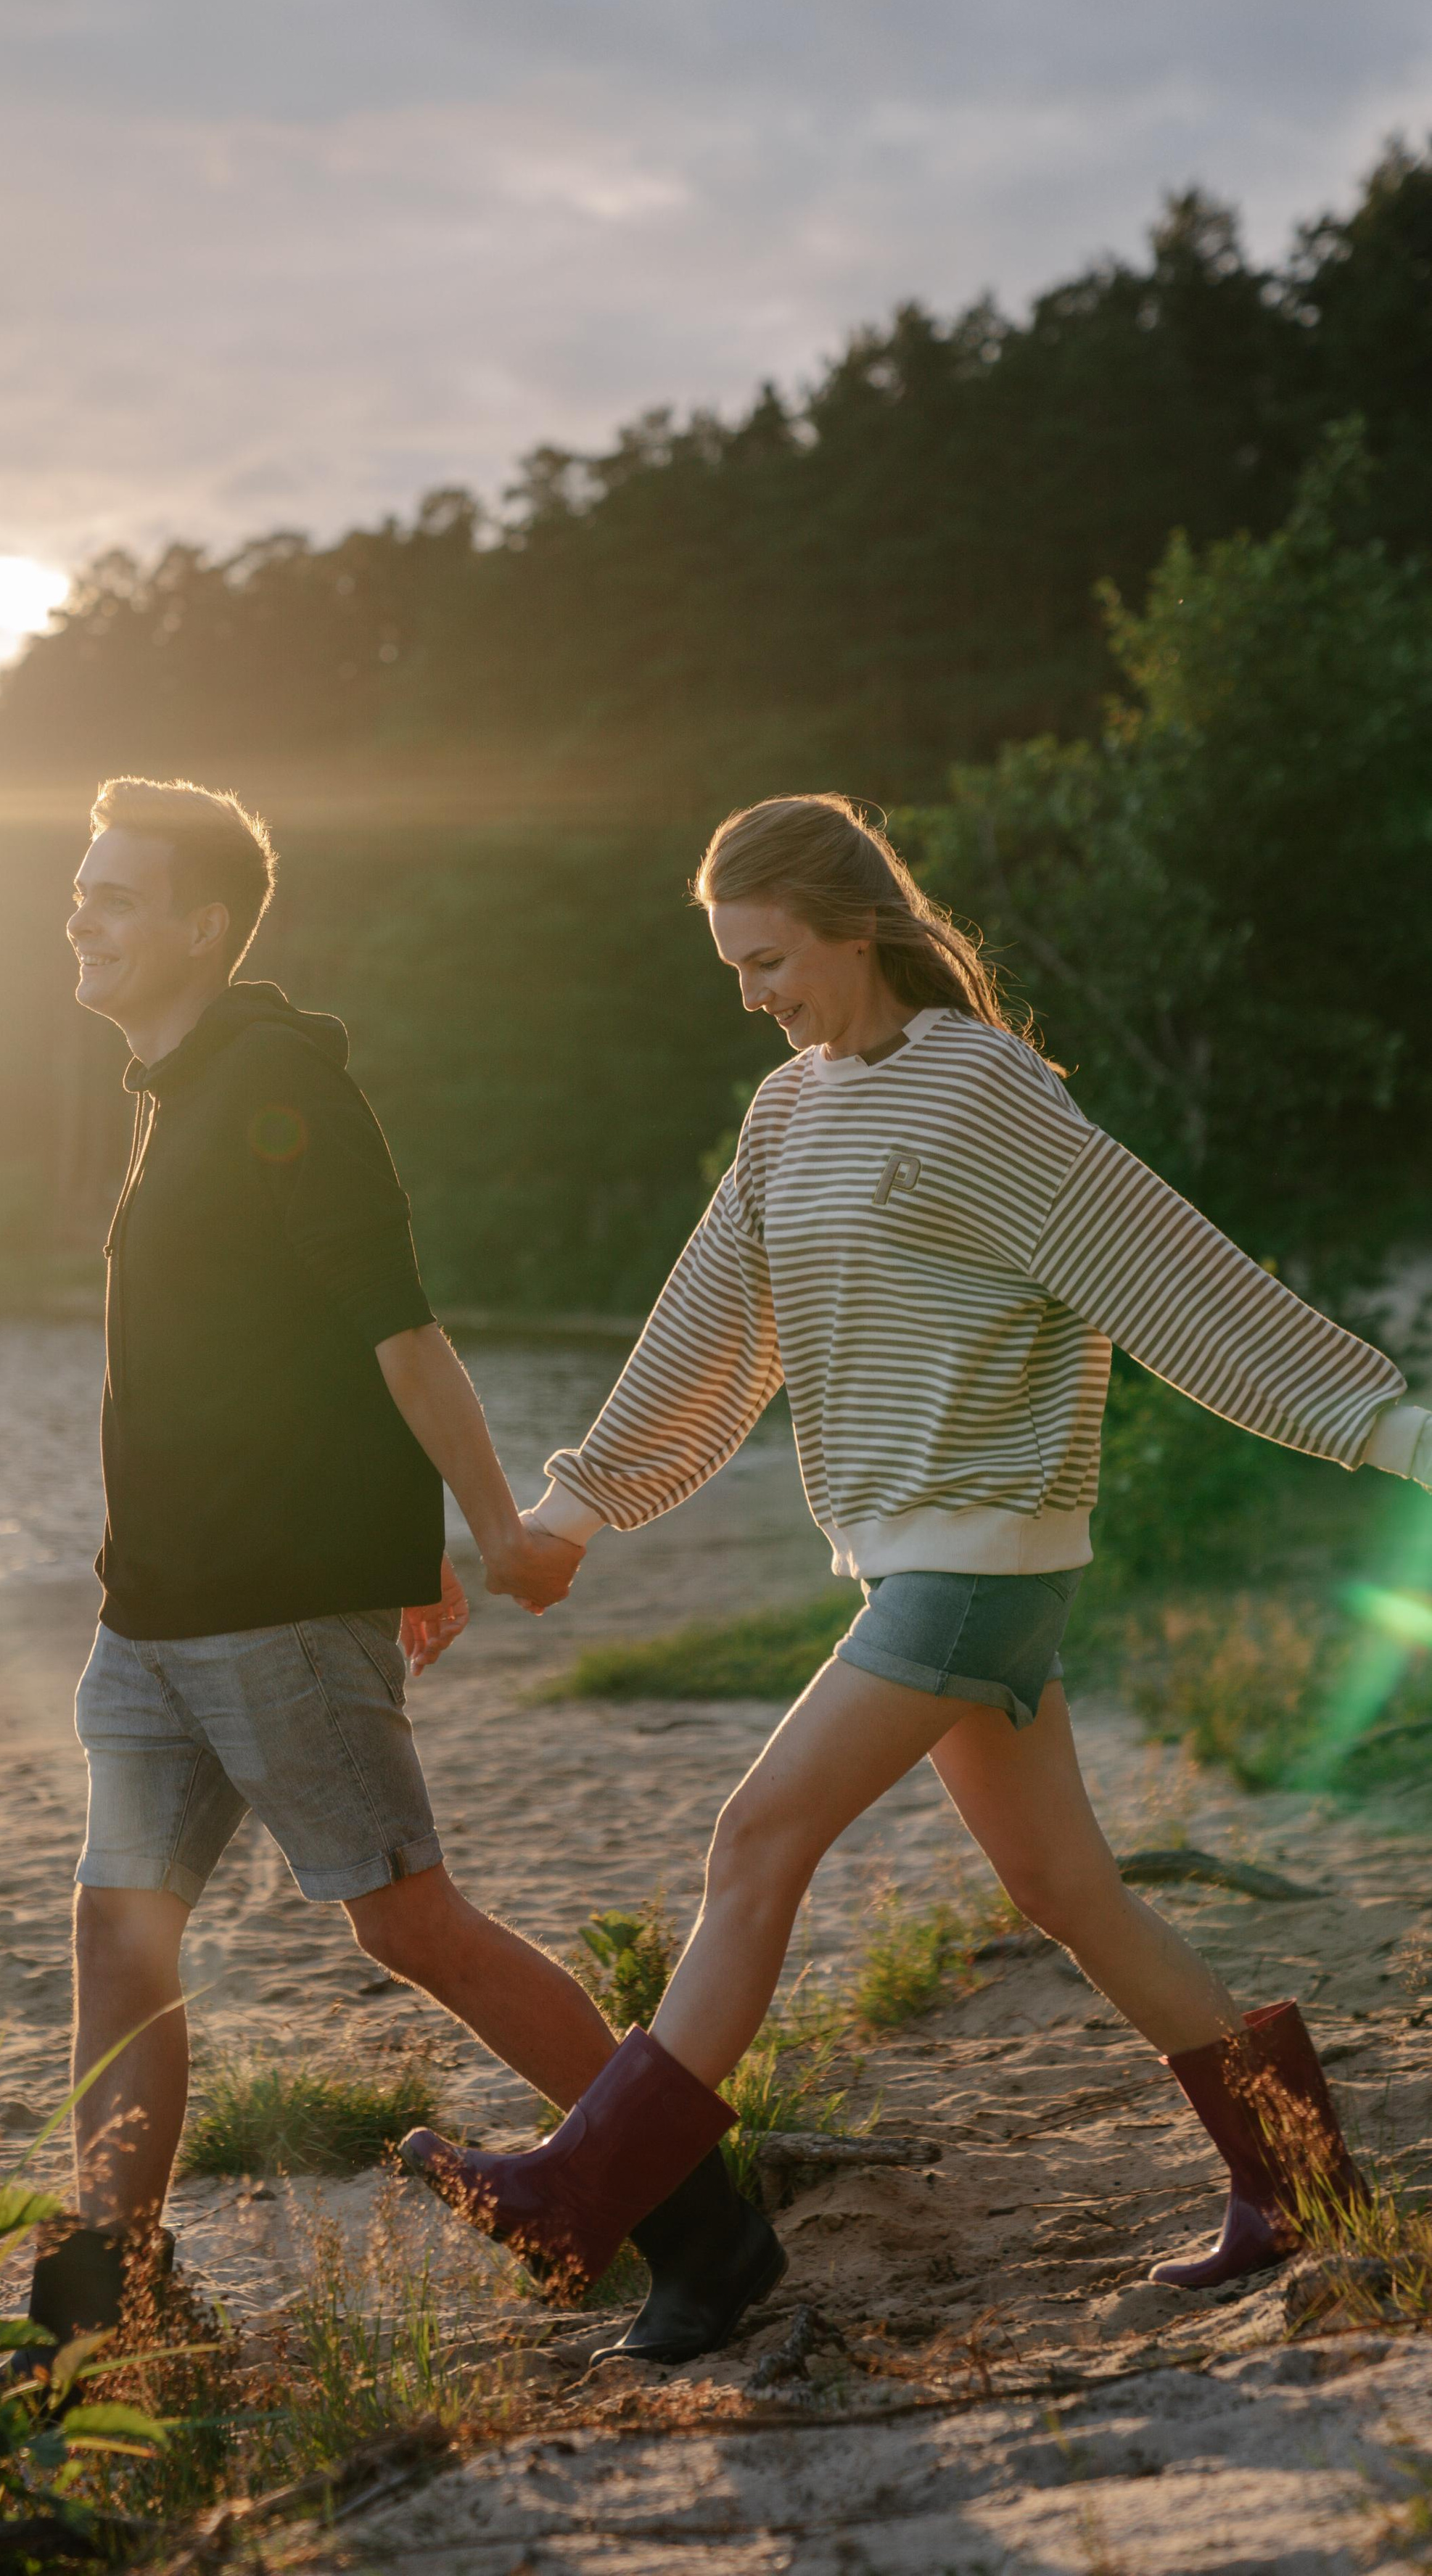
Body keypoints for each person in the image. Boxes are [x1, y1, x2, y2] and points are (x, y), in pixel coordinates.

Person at [405, 791, 1432, 2359]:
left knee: (754, 1837)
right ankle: (1295, 2184)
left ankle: (580, 2193)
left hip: (977, 1559)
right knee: (1066, 1888)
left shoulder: (979, 1093)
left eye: (768, 961)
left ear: (853, 926)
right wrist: (570, 1512)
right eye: (731, 973)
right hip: (916, 1564)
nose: (753, 998)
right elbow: (706, 1334)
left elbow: (1166, 1273)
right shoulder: (786, 1113)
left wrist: (1388, 1426)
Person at [29, 775, 783, 2356]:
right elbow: (274, 1359)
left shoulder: (279, 1090)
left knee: (407, 1924)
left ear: (200, 926)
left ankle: (702, 2228)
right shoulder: (175, 1098)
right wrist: (418, 1536)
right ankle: (116, 2288)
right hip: (149, 1615)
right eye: (79, 890)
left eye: (114, 894)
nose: (81, 917)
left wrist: (493, 1526)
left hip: (274, 1615)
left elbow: (399, 1328)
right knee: (118, 1933)